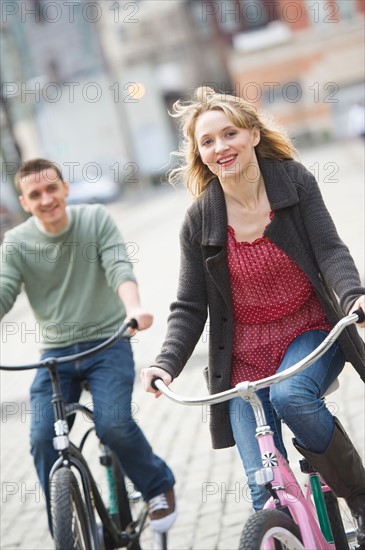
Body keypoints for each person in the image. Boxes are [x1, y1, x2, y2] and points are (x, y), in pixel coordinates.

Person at [141, 86, 365, 547]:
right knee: (263, 486)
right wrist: (165, 363)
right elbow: (189, 305)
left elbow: (330, 250)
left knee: (292, 396)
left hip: (308, 333)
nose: (221, 147)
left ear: (254, 135)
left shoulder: (294, 183)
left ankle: (360, 498)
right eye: (208, 141)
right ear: (199, 154)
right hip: (242, 361)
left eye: (230, 134)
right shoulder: (200, 220)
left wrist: (353, 297)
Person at [0, 158, 176, 536]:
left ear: (65, 188)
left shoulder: (95, 220)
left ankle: (158, 486)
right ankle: (68, 529)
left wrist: (135, 308)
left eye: (51, 189)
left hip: (107, 343)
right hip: (55, 356)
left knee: (114, 425)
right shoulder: (17, 243)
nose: (46, 199)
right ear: (24, 202)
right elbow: (3, 292)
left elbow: (118, 266)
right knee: (42, 438)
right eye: (35, 194)